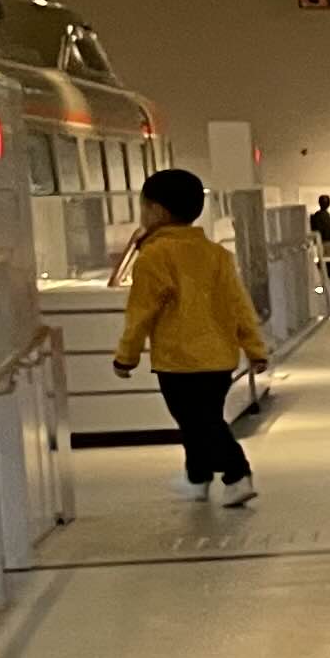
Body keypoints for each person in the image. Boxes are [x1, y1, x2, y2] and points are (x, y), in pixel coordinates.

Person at [110, 166, 270, 507]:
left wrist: (126, 356)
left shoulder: (154, 256)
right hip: (220, 358)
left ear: (157, 211)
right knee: (201, 419)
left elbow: (141, 313)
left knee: (199, 422)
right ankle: (198, 477)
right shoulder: (217, 255)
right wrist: (255, 348)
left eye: (144, 207)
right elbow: (239, 305)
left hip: (179, 360)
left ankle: (237, 474)